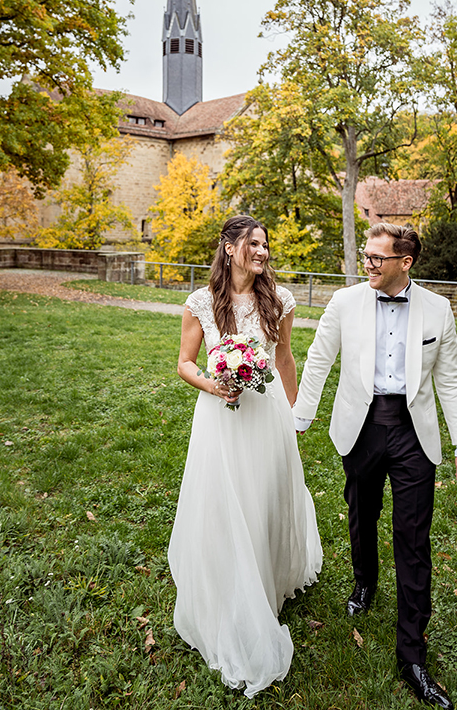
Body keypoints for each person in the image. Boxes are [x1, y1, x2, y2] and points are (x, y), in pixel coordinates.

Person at [293, 223, 457, 710]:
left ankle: (412, 655)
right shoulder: (344, 302)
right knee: (361, 512)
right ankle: (365, 580)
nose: (366, 264)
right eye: (366, 257)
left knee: (414, 538)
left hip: (414, 431)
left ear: (404, 262)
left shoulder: (438, 309)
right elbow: (317, 361)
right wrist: (300, 417)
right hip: (362, 424)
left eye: (376, 258)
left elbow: (450, 381)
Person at [168, 214, 322, 698]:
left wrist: (296, 414)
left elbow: (285, 359)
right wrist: (216, 385)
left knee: (267, 496)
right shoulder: (200, 305)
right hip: (220, 417)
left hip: (268, 414)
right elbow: (184, 363)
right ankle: (229, 587)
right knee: (225, 500)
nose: (263, 251)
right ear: (230, 247)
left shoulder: (279, 300)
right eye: (254, 243)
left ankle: (267, 579)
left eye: (266, 244)